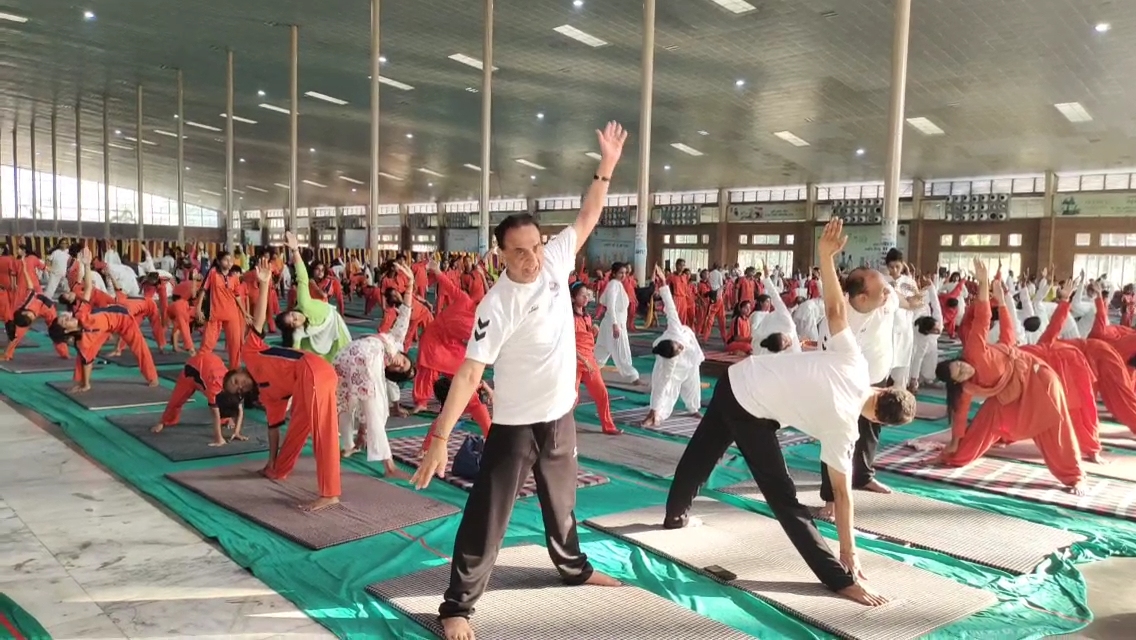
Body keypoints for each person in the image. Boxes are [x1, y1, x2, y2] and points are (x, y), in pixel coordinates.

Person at [410, 121, 629, 640]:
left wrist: (607, 166)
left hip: (560, 416)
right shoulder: (497, 304)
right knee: (489, 515)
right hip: (515, 426)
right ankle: (457, 607)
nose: (531, 259)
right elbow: (470, 371)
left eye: (535, 246)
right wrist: (440, 436)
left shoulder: (555, 261)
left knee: (563, 504)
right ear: (501, 256)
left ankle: (573, 568)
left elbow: (588, 215)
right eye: (519, 252)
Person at [664, 219, 914, 607]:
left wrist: (825, 256)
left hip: (737, 378)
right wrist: (848, 553)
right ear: (878, 419)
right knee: (784, 498)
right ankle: (837, 580)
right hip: (750, 405)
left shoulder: (855, 364)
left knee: (703, 451)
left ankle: (675, 515)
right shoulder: (845, 429)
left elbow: (835, 308)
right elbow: (843, 497)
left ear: (882, 390)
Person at [934, 258, 1086, 494]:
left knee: (1055, 427)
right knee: (984, 421)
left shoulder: (974, 351)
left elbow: (984, 317)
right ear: (957, 382)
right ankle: (958, 457)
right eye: (961, 375)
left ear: (960, 359)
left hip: (1037, 380)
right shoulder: (966, 388)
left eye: (961, 365)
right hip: (1008, 393)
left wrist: (984, 283)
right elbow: (960, 415)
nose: (966, 370)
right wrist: (954, 443)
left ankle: (1074, 476)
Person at [222, 257, 342, 512]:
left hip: (313, 369)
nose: (240, 386)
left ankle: (330, 493)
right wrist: (271, 462)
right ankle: (279, 470)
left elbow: (257, 322)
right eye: (238, 391)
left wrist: (265, 284)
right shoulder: (269, 396)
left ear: (238, 371)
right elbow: (274, 431)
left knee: (323, 431)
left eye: (235, 381)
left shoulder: (251, 354)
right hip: (305, 383)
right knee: (295, 430)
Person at [334, 280, 417, 475]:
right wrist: (410, 286)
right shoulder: (395, 340)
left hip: (355, 362)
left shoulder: (379, 367)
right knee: (358, 406)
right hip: (349, 358)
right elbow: (405, 316)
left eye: (399, 370)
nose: (399, 365)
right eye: (404, 362)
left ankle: (350, 445)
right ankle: (385, 464)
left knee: (360, 405)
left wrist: (363, 431)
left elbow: (367, 396)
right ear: (403, 355)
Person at [47, 248, 158, 392]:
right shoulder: (82, 341)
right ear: (67, 331)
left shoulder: (80, 313)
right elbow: (87, 361)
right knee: (84, 354)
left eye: (63, 317)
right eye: (64, 321)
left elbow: (88, 287)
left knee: (139, 347)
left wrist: (87, 265)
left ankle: (152, 378)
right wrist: (86, 384)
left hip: (123, 319)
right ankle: (83, 383)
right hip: (104, 328)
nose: (66, 316)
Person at [640, 266, 704, 428]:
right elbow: (661, 387)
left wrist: (663, 283)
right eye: (678, 350)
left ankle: (693, 408)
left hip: (692, 356)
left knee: (693, 384)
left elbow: (670, 306)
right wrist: (653, 410)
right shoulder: (666, 364)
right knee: (667, 390)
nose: (680, 348)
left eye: (678, 347)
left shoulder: (675, 330)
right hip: (677, 369)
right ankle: (656, 414)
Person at [276, 232, 352, 362]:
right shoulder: (298, 332)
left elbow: (302, 278)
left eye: (293, 315)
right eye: (293, 323)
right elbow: (294, 353)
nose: (296, 319)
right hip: (314, 339)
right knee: (308, 358)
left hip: (333, 324)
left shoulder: (304, 303)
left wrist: (295, 251)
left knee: (345, 356)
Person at [152, 351, 247, 447]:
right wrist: (219, 439)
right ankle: (163, 422)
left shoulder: (236, 389)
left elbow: (240, 410)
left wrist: (237, 432)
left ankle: (226, 419)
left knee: (224, 404)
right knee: (176, 400)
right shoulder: (214, 389)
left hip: (208, 367)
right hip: (191, 371)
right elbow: (215, 415)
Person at [570, 281, 620, 434]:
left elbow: (585, 339)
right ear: (573, 298)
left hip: (589, 361)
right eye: (582, 295)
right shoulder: (569, 318)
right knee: (572, 398)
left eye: (587, 295)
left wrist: (593, 331)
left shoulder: (586, 316)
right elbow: (568, 344)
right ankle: (562, 430)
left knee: (602, 393)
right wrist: (583, 360)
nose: (586, 298)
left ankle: (608, 426)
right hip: (575, 362)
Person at [197, 250, 248, 369]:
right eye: (226, 260)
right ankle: (199, 367)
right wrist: (198, 308)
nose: (229, 262)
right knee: (207, 344)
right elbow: (203, 290)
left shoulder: (234, 277)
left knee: (235, 344)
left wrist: (244, 313)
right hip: (215, 314)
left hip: (232, 315)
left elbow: (237, 296)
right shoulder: (213, 273)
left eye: (230, 260)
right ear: (219, 262)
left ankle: (234, 369)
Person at [593, 262, 639, 384]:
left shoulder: (615, 285)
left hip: (610, 323)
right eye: (620, 273)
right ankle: (633, 376)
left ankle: (589, 370)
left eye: (625, 273)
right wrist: (615, 325)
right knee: (621, 350)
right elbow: (610, 305)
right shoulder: (614, 285)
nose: (623, 275)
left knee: (601, 350)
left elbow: (603, 300)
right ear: (614, 273)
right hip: (615, 323)